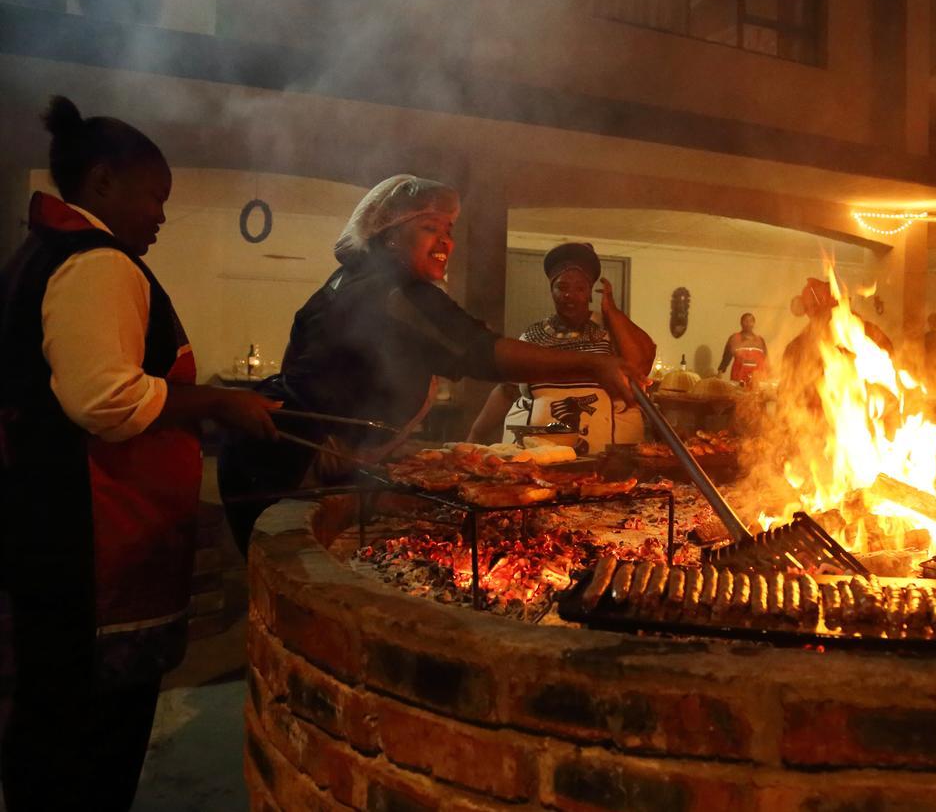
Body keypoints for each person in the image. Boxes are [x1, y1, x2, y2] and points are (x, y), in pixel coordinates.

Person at [0, 96, 279, 811]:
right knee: (89, 737)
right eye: (155, 196)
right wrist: (220, 402)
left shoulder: (46, 249)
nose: (161, 215)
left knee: (52, 719)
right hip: (91, 544)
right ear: (101, 184)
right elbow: (105, 399)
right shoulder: (98, 263)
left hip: (53, 532)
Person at [218, 180, 645, 552]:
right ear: (388, 236)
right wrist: (595, 367)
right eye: (428, 228)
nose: (445, 241)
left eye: (449, 229)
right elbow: (482, 351)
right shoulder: (393, 292)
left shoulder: (355, 280)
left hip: (287, 450)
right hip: (286, 457)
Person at [466, 242, 656, 452]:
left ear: (590, 292)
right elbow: (507, 390)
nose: (569, 295)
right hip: (536, 457)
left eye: (580, 288)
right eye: (562, 287)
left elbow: (640, 365)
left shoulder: (612, 329)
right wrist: (475, 435)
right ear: (551, 290)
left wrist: (611, 310)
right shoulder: (533, 335)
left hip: (603, 462)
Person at [717, 312, 768, 387]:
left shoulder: (760, 340)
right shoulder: (734, 338)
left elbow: (766, 359)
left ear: (754, 323)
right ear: (741, 323)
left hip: (757, 380)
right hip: (738, 378)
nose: (748, 324)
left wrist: (769, 375)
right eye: (745, 321)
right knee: (739, 397)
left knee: (756, 398)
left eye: (750, 321)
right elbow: (726, 357)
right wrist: (720, 372)